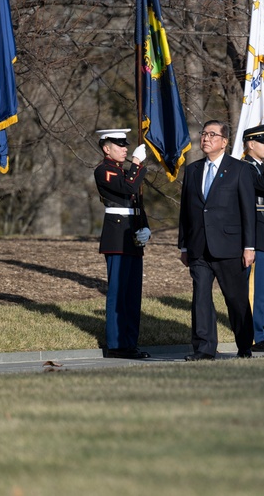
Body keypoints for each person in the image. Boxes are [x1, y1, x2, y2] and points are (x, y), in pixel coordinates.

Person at [178, 121, 256, 360]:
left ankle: (244, 345)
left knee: (235, 299)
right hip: (199, 247)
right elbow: (186, 211)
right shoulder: (192, 170)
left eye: (213, 135)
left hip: (229, 247)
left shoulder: (240, 170)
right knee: (201, 298)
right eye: (204, 134)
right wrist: (183, 245)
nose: (206, 138)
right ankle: (204, 348)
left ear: (224, 142)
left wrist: (249, 246)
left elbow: (248, 211)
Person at [94, 128, 152, 359]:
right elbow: (128, 188)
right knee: (119, 293)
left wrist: (145, 227)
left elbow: (136, 203)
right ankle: (117, 345)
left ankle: (130, 343)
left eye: (125, 145)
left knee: (132, 294)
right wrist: (137, 162)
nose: (125, 148)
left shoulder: (124, 171)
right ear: (106, 148)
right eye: (119, 145)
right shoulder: (104, 171)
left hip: (132, 234)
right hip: (117, 236)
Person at [240, 124, 264, 352]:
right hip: (256, 237)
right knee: (256, 290)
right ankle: (255, 335)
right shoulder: (245, 167)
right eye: (263, 142)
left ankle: (262, 333)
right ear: (250, 144)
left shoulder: (260, 167)